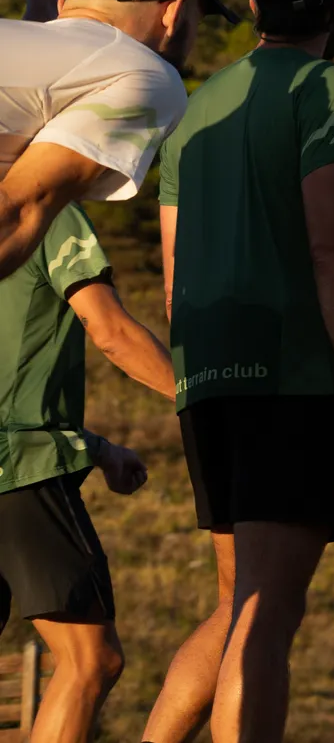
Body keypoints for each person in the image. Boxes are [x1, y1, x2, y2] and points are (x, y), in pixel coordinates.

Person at [142, 0, 334, 743]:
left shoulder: (196, 109)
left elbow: (175, 276)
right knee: (268, 611)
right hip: (287, 379)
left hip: (208, 381)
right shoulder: (325, 88)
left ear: (254, 7)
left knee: (237, 603)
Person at [1, 202, 176, 743]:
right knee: (90, 660)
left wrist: (97, 448)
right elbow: (111, 333)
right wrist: (201, 398)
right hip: (18, 473)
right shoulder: (46, 213)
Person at [2, 0, 234, 279]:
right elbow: (19, 211)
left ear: (63, 2)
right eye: (199, 18)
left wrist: (37, 9)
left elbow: (38, 97)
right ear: (176, 10)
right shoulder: (146, 74)